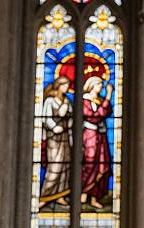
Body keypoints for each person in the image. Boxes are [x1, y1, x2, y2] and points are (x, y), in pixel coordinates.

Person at [39, 76, 73, 209]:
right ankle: (45, 195)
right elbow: (46, 118)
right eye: (65, 85)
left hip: (65, 135)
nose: (67, 88)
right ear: (58, 86)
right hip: (54, 136)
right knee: (55, 166)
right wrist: (54, 127)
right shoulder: (49, 101)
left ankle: (60, 195)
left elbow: (71, 116)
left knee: (65, 166)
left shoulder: (67, 101)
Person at [81, 75, 113, 209]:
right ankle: (82, 193)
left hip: (101, 137)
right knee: (90, 165)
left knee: (102, 166)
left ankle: (94, 198)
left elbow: (107, 111)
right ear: (92, 85)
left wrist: (106, 99)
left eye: (101, 85)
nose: (101, 87)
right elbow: (95, 117)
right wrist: (109, 95)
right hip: (90, 137)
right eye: (99, 84)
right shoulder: (84, 101)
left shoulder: (99, 100)